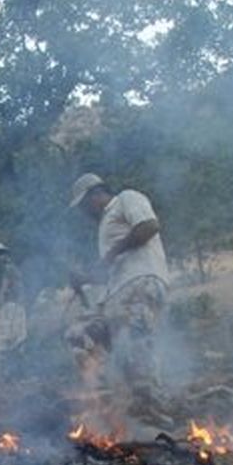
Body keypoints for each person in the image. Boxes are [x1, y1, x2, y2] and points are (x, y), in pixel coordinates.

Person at [67, 173, 172, 427]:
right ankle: (111, 405)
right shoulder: (105, 225)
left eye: (83, 206)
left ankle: (152, 411)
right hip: (119, 293)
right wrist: (84, 278)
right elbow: (111, 271)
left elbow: (149, 226)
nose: (84, 213)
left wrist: (112, 252)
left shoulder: (127, 198)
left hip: (141, 283)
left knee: (137, 347)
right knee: (83, 336)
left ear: (95, 194)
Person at [0, 242, 27, 378]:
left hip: (9, 307)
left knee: (2, 340)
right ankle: (11, 374)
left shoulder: (7, 269)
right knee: (14, 341)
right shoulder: (9, 269)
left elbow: (5, 288)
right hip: (15, 307)